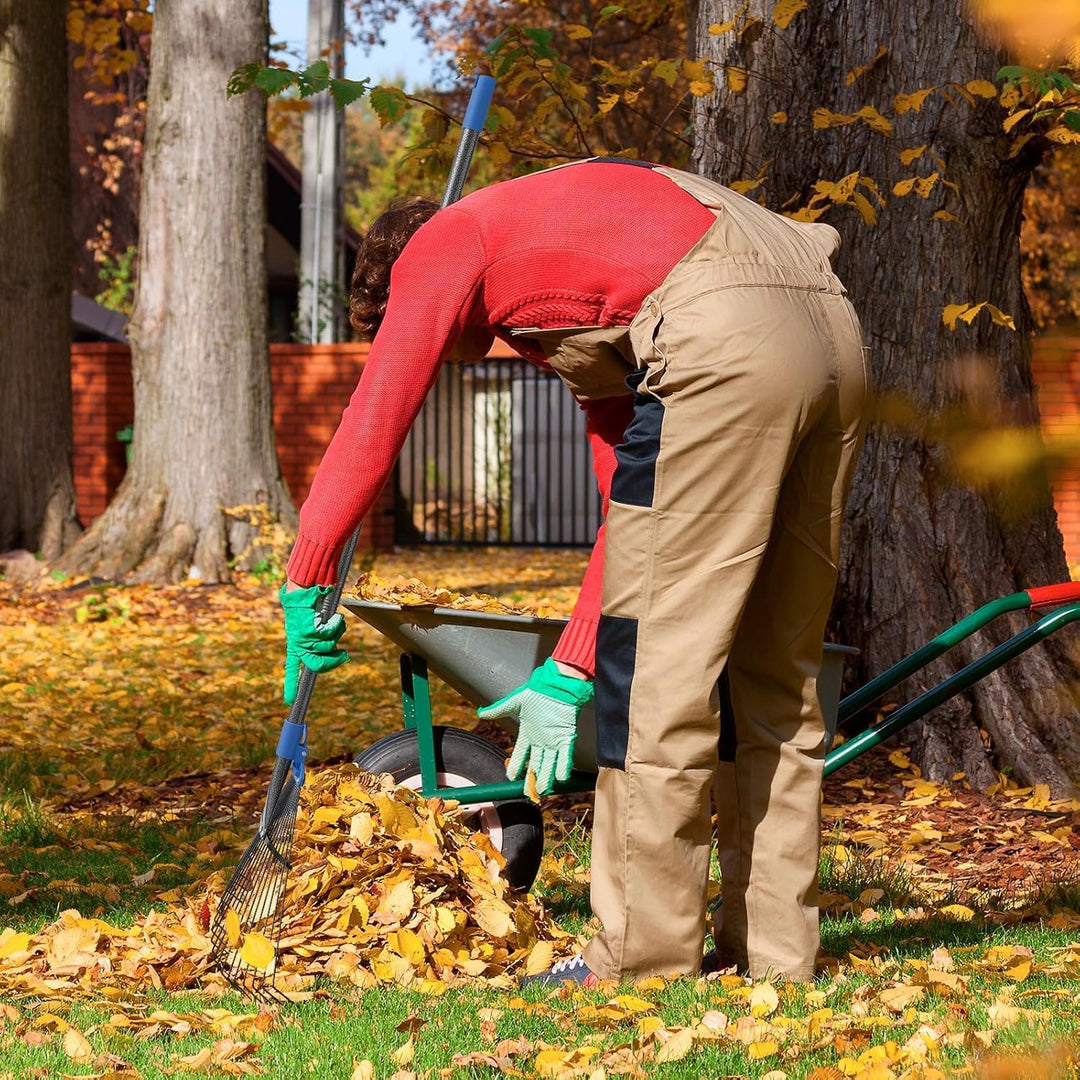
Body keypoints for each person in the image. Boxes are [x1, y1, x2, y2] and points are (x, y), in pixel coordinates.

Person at [280, 158, 869, 987]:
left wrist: (307, 575)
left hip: (718, 339)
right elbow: (625, 524)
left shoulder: (447, 241)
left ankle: (639, 963)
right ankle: (775, 957)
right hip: (831, 336)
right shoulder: (577, 276)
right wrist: (570, 665)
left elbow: (377, 416)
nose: (462, 350)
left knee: (658, 681)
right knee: (775, 677)